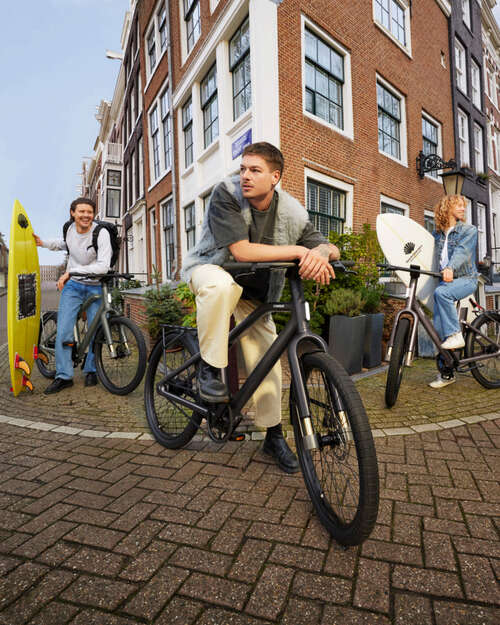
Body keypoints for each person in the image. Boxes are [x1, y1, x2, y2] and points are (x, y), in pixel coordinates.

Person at [181, 142, 340, 473]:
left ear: (275, 176)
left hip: (256, 293)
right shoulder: (226, 194)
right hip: (212, 268)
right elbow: (240, 251)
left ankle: (273, 434)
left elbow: (327, 244)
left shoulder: (292, 212)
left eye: (255, 170)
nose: (245, 176)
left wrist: (321, 253)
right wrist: (299, 252)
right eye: (243, 169)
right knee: (220, 287)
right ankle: (209, 367)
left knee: (268, 363)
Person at [33, 197, 112, 394]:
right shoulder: (69, 229)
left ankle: (91, 369)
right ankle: (63, 375)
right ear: (73, 213)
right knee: (65, 330)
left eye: (90, 212)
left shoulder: (101, 233)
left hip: (95, 286)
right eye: (82, 212)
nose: (86, 215)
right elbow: (63, 244)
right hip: (73, 287)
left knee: (96, 331)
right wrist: (42, 243)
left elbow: (103, 266)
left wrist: (72, 271)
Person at [429, 194, 478, 389]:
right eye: (458, 205)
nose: (463, 208)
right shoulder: (437, 235)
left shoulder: (469, 230)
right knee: (440, 329)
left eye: (463, 206)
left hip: (466, 279)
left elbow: (462, 252)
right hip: (445, 282)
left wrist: (450, 268)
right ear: (446, 207)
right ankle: (447, 373)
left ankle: (456, 335)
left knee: (442, 294)